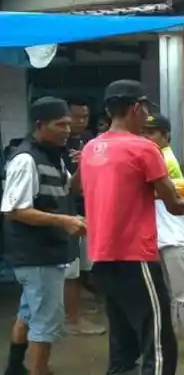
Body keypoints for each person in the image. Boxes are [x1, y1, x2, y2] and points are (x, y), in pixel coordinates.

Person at [80, 80, 184, 375]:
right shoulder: (145, 148)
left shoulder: (91, 148)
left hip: (100, 256)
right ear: (135, 108)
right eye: (144, 108)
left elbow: (83, 188)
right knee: (158, 339)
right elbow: (174, 204)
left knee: (122, 338)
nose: (146, 115)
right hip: (135, 256)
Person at [1, 97, 85, 375]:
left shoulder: (53, 156)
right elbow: (14, 209)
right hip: (36, 255)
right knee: (45, 322)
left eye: (68, 123)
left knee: (28, 313)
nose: (67, 129)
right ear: (40, 126)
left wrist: (83, 167)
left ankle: (14, 371)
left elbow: (68, 189)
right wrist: (63, 221)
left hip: (43, 254)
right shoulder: (26, 160)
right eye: (59, 124)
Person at [142, 114, 184, 363]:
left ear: (166, 136)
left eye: (152, 133)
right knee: (162, 292)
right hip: (156, 233)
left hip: (175, 233)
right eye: (144, 133)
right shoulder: (151, 156)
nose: (147, 138)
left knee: (182, 290)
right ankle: (165, 337)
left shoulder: (164, 158)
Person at [62, 96, 105, 336]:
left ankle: (74, 310)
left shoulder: (89, 140)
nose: (80, 121)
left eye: (84, 117)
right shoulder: (59, 144)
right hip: (68, 212)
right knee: (72, 267)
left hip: (88, 209)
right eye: (75, 116)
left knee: (84, 264)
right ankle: (72, 318)